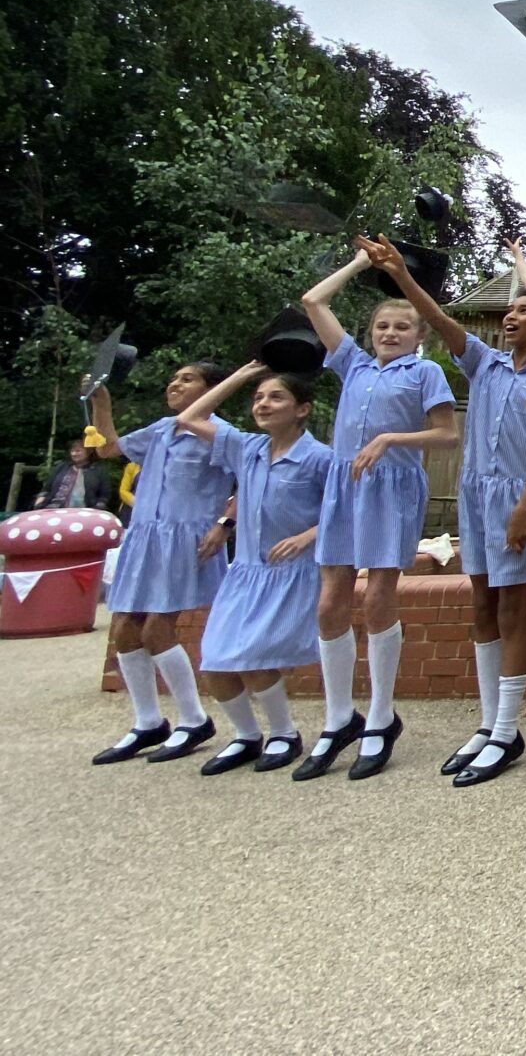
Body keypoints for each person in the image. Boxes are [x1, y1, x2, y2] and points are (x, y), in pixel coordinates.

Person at [362, 234, 526, 786]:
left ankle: (507, 730)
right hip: (476, 498)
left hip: (518, 502)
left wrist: (525, 510)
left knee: (513, 611)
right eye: (510, 309)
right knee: (480, 605)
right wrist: (405, 278)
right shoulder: (484, 364)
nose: (511, 316)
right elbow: (437, 317)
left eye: (524, 310)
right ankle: (489, 724)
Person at [297, 248, 458, 781]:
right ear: (370, 334)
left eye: (401, 326)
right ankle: (340, 715)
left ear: (418, 336)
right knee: (329, 601)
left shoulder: (425, 371)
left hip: (393, 486)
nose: (390, 332)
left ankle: (382, 714)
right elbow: (313, 300)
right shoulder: (352, 363)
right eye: (382, 325)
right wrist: (363, 265)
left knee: (380, 596)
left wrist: (391, 438)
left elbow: (446, 433)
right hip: (346, 485)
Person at [173, 363, 331, 775]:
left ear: (302, 410)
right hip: (244, 573)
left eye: (275, 396)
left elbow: (345, 510)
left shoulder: (319, 458)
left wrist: (307, 536)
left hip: (291, 573)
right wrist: (241, 378)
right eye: (258, 397)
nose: (263, 404)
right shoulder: (247, 448)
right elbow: (189, 417)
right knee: (215, 661)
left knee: (255, 657)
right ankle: (245, 736)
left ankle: (284, 734)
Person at [86, 363, 236, 764]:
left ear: (212, 390)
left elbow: (253, 477)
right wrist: (102, 405)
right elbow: (107, 449)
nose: (175, 383)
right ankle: (148, 721)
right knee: (123, 629)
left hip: (184, 541)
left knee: (156, 628)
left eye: (188, 379)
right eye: (174, 378)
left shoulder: (221, 435)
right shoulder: (163, 428)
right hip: (144, 539)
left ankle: (193, 720)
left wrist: (224, 524)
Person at [35, 438, 114, 510]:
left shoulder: (98, 470)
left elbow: (104, 495)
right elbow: (46, 489)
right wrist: (39, 503)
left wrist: (98, 507)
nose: (74, 454)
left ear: (88, 452)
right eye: (72, 451)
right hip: (54, 508)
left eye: (78, 451)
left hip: (85, 511)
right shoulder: (62, 467)